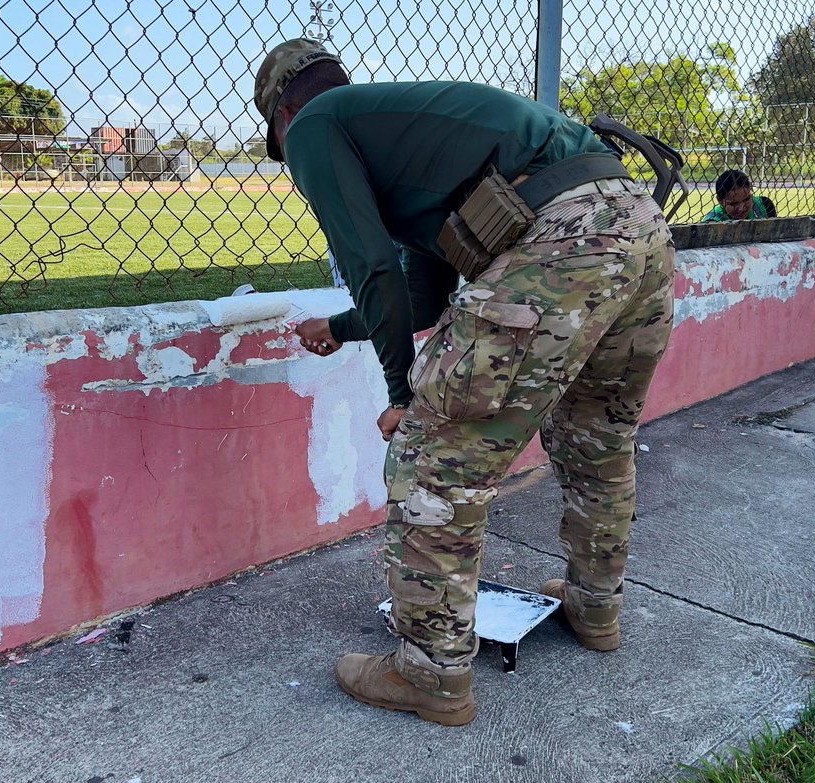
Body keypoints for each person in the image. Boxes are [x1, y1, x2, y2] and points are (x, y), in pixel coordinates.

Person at [254, 39, 675, 726]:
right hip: (637, 223)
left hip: (561, 239)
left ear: (281, 112)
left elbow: (374, 272)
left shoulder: (314, 126)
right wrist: (341, 325)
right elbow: (419, 299)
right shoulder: (403, 136)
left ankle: (430, 672)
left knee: (434, 458)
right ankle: (595, 608)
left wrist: (401, 398)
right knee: (597, 435)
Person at [702, 169, 776, 222]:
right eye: (733, 203)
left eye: (747, 199)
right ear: (720, 200)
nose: (741, 208)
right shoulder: (712, 221)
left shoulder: (764, 204)